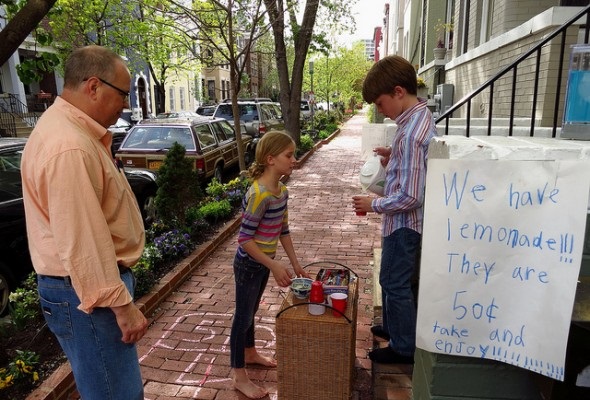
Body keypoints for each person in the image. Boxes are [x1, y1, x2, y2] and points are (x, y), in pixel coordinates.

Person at [21, 45, 148, 399]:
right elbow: (83, 240)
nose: (126, 104)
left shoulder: (68, 132)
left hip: (80, 291)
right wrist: (122, 305)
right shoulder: (70, 146)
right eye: (123, 94)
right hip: (89, 296)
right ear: (93, 86)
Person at [352, 55, 438, 364]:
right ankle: (394, 329)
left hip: (404, 224)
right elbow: (416, 169)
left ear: (398, 92)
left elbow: (412, 195)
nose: (379, 109)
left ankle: (403, 347)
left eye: (380, 102)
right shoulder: (416, 120)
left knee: (393, 281)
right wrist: (394, 156)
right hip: (402, 223)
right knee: (393, 279)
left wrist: (373, 203)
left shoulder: (412, 132)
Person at [230, 130, 309, 398]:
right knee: (242, 317)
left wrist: (295, 264)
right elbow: (244, 240)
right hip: (249, 265)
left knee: (250, 312)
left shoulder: (281, 191)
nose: (294, 159)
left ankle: (250, 352)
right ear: (270, 159)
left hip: (263, 264)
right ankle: (238, 375)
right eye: (289, 155)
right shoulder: (259, 194)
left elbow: (282, 230)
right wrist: (273, 266)